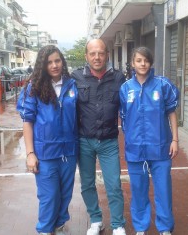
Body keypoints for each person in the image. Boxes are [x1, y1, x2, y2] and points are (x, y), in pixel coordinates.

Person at [16, 45, 78, 235]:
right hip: (45, 153)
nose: (54, 65)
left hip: (69, 151)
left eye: (57, 60)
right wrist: (30, 153)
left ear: (62, 61)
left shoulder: (72, 85)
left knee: (65, 194)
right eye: (49, 62)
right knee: (49, 196)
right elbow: (28, 122)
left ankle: (59, 226)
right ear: (42, 65)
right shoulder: (32, 88)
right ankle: (44, 229)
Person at [119, 47, 179, 235]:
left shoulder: (163, 85)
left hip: (160, 148)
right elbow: (124, 117)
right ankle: (141, 227)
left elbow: (171, 113)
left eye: (145, 60)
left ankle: (165, 228)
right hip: (135, 150)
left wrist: (175, 140)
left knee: (163, 190)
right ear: (132, 63)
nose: (142, 64)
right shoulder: (125, 88)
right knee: (138, 191)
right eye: (138, 60)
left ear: (150, 63)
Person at [71, 38, 126, 235]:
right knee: (87, 184)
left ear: (107, 55)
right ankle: (96, 220)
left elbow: (130, 107)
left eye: (101, 53)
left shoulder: (119, 78)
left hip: (109, 141)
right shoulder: (76, 77)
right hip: (84, 140)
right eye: (92, 53)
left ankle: (118, 224)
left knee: (114, 185)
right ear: (86, 56)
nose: (97, 57)